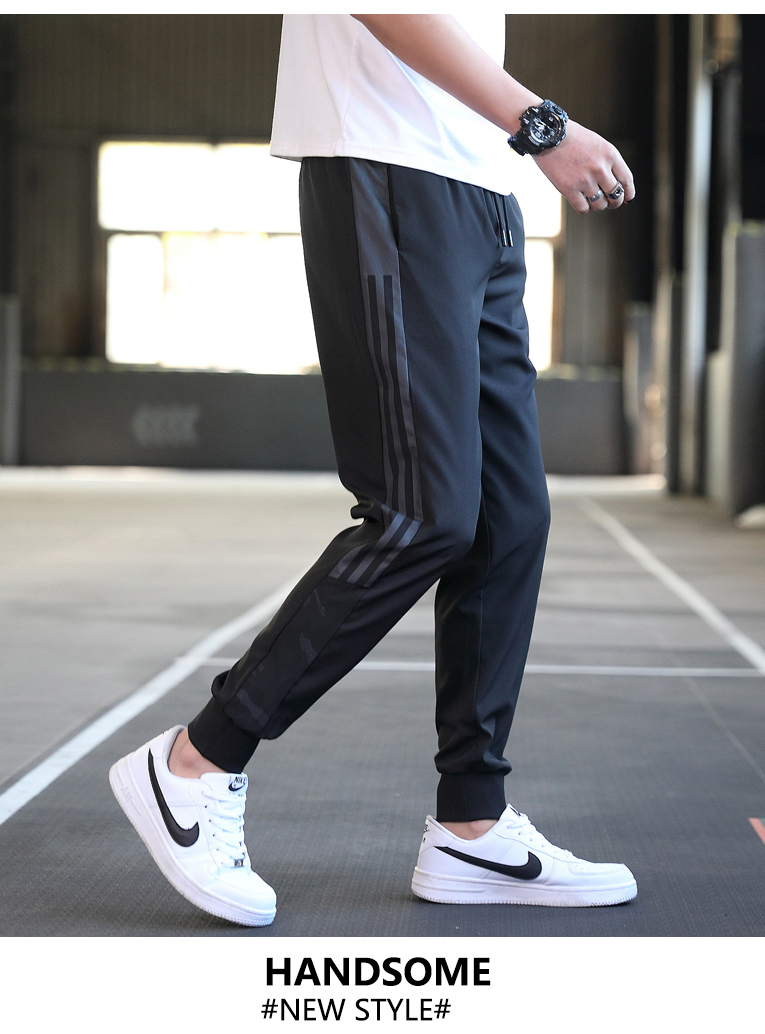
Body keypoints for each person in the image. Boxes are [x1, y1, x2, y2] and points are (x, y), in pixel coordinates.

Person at [110, 13, 637, 927]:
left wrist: (513, 146)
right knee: (420, 512)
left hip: (481, 186)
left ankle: (471, 825)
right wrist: (542, 125)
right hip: (387, 165)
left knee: (509, 520)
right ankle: (194, 762)